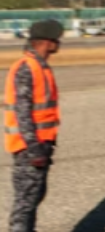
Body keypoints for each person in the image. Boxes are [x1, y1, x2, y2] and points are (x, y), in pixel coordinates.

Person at [5, 20, 63, 232]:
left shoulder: (40, 66)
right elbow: (23, 111)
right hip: (29, 147)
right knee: (25, 201)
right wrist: (33, 148)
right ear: (46, 42)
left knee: (34, 195)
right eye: (56, 39)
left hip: (41, 143)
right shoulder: (27, 68)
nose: (59, 43)